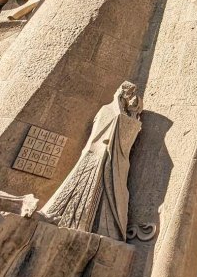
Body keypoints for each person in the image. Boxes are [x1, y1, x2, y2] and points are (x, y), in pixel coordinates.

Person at [41, 82, 143, 240]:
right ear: (121, 94)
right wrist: (129, 120)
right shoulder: (109, 111)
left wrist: (133, 117)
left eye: (131, 95)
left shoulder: (120, 113)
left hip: (112, 160)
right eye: (128, 94)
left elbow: (125, 141)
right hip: (97, 156)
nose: (129, 98)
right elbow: (101, 135)